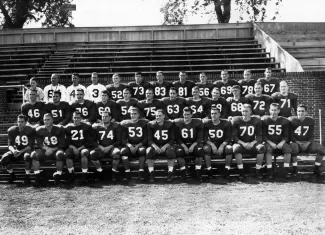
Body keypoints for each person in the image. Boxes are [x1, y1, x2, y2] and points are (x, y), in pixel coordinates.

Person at [289, 104, 325, 177]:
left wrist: (307, 143)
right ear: (296, 112)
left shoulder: (310, 120)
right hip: (296, 143)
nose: (300, 113)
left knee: (322, 149)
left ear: (306, 112)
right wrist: (299, 143)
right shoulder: (292, 120)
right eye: (299, 111)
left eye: (302, 111)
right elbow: (290, 136)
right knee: (293, 148)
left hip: (307, 143)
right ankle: (295, 169)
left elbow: (311, 136)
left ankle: (316, 169)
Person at [232, 104, 265, 180]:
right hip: (241, 143)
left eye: (246, 111)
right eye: (243, 111)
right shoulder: (237, 120)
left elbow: (259, 136)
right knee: (236, 148)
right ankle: (241, 171)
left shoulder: (256, 120)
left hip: (252, 143)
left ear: (250, 112)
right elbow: (234, 137)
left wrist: (252, 143)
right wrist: (243, 143)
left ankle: (258, 171)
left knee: (261, 148)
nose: (244, 113)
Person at [31, 113, 65, 186]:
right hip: (45, 151)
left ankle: (58, 176)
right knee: (34, 154)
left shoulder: (59, 128)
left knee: (60, 155)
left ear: (52, 120)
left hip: (56, 150)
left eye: (48, 119)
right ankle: (37, 177)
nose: (46, 121)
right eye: (45, 120)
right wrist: (47, 149)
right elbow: (39, 143)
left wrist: (52, 149)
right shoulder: (39, 129)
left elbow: (62, 144)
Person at [0, 115, 35, 184]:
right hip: (16, 151)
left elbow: (30, 145)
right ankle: (12, 175)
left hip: (26, 151)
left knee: (27, 156)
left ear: (26, 122)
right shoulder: (12, 130)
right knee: (4, 158)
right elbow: (10, 145)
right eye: (18, 121)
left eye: (22, 122)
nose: (20, 123)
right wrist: (14, 151)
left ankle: (27, 176)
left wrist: (21, 151)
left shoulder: (30, 130)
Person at [262, 103, 292, 179]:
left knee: (288, 149)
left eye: (275, 110)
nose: (273, 112)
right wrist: (270, 143)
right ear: (269, 110)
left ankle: (286, 170)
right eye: (272, 110)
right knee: (268, 150)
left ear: (278, 111)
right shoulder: (265, 120)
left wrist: (281, 143)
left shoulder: (284, 120)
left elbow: (286, 136)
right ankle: (269, 171)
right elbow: (263, 136)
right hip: (269, 142)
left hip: (280, 142)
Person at [174, 107, 204, 181]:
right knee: (178, 152)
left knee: (199, 150)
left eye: (188, 114)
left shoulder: (197, 122)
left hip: (194, 143)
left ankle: (198, 171)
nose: (186, 116)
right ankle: (184, 172)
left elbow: (200, 138)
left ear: (191, 115)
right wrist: (184, 146)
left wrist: (192, 146)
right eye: (185, 114)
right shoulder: (178, 123)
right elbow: (177, 138)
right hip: (182, 144)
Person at [147, 109, 176, 182]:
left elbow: (172, 139)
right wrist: (155, 146)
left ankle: (170, 172)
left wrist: (165, 146)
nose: (158, 117)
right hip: (155, 145)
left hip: (166, 145)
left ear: (164, 116)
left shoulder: (170, 124)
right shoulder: (151, 125)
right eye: (156, 116)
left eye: (160, 116)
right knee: (149, 151)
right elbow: (149, 140)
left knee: (171, 151)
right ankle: (151, 173)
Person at [91, 111, 122, 181]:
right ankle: (100, 171)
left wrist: (109, 147)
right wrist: (100, 147)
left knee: (117, 153)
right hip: (101, 148)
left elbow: (118, 141)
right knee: (92, 154)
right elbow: (93, 141)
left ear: (110, 117)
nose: (104, 118)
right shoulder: (97, 127)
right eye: (103, 116)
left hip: (112, 148)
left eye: (106, 116)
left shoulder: (115, 126)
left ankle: (113, 172)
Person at [203, 108, 233, 179]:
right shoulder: (207, 124)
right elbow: (205, 138)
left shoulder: (226, 123)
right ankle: (209, 170)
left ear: (219, 114)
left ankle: (227, 170)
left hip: (222, 143)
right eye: (212, 113)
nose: (213, 115)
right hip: (211, 143)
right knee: (206, 149)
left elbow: (228, 138)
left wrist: (222, 146)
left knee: (229, 149)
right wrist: (212, 145)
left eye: (215, 113)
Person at [64, 111, 93, 184]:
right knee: (67, 154)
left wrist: (79, 149)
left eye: (78, 118)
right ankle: (71, 174)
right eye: (75, 118)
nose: (76, 119)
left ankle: (84, 174)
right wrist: (73, 148)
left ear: (81, 118)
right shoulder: (68, 127)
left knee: (84, 153)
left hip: (83, 147)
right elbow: (67, 142)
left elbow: (88, 141)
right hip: (72, 147)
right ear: (72, 118)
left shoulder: (86, 127)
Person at [120, 107, 148, 181]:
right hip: (129, 145)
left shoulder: (143, 123)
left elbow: (146, 138)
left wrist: (138, 145)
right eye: (132, 114)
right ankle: (127, 172)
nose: (133, 115)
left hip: (140, 144)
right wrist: (130, 145)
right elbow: (123, 139)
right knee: (123, 152)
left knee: (142, 151)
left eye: (135, 114)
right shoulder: (126, 124)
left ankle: (141, 172)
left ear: (139, 114)